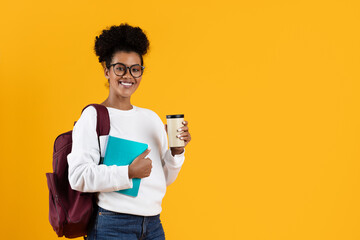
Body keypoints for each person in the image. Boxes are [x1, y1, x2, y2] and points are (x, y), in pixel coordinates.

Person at [67, 23, 191, 240]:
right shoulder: (94, 116)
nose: (128, 76)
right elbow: (78, 177)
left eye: (135, 69)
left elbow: (163, 180)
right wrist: (128, 172)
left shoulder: (151, 118)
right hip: (112, 225)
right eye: (120, 68)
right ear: (107, 70)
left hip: (153, 224)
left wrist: (176, 153)